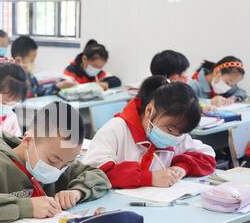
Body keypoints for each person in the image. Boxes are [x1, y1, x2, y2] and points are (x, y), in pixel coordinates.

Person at [83, 76, 216, 189]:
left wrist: (183, 167)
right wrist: (149, 178)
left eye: (180, 133)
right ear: (148, 111)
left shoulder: (177, 134)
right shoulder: (116, 129)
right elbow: (94, 173)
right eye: (169, 129)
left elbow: (207, 157)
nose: (173, 137)